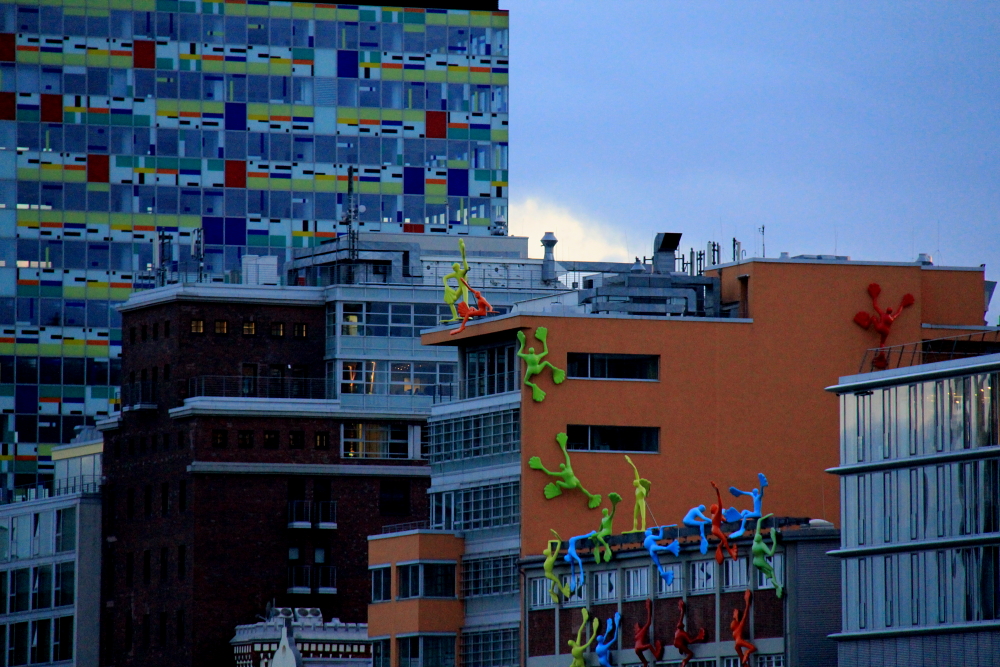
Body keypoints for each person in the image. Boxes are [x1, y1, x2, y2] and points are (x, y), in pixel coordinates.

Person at [528, 432, 602, 509]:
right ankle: (591, 496)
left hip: (570, 484)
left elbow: (549, 473)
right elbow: (567, 457)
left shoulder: (562, 473)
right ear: (564, 466)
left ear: (561, 468)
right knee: (582, 489)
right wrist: (563, 448)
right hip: (576, 480)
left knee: (557, 482)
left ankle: (558, 490)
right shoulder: (569, 468)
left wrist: (541, 466)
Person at [516, 327, 565, 402]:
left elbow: (518, 353)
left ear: (529, 351)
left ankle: (533, 386)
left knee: (525, 381)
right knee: (545, 362)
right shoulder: (537, 356)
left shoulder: (527, 356)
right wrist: (544, 341)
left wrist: (522, 344)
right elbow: (546, 352)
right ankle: (554, 369)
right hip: (537, 368)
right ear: (534, 351)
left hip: (530, 370)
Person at [723, 472, 768, 539]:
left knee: (746, 516)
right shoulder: (753, 496)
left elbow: (761, 493)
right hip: (754, 512)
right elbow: (744, 492)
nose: (754, 493)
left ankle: (742, 529)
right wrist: (737, 492)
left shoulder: (758, 497)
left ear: (757, 492)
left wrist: (762, 486)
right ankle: (738, 517)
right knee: (744, 511)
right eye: (753, 492)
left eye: (755, 492)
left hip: (757, 513)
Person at [751, 513, 783, 598]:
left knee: (764, 570)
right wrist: (774, 541)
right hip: (760, 561)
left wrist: (763, 518)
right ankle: (776, 585)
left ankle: (767, 574)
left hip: (755, 561)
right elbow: (771, 553)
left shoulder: (755, 543)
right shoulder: (762, 545)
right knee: (772, 570)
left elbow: (758, 523)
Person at [441, 239, 470, 323]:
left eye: (455, 267)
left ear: (457, 267)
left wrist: (463, 255)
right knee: (451, 301)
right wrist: (446, 286)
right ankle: (455, 316)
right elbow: (445, 277)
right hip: (460, 288)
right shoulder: (455, 273)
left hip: (464, 287)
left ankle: (467, 314)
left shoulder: (461, 272)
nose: (454, 269)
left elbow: (466, 268)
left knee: (465, 301)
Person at [710, 482, 738, 564]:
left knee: (724, 538)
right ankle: (731, 553)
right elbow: (720, 504)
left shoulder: (717, 516)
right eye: (717, 507)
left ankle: (721, 548)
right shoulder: (716, 515)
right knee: (725, 539)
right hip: (715, 529)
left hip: (715, 528)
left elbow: (724, 519)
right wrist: (717, 491)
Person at [673, 598, 705, 667]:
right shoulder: (682, 633)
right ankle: (684, 661)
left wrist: (682, 609)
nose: (683, 624)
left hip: (677, 644)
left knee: (682, 645)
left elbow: (681, 618)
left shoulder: (677, 631)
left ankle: (683, 655)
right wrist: (698, 637)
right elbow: (690, 641)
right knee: (690, 654)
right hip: (679, 644)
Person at [591, 492, 622, 563]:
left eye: (605, 511)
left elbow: (613, 512)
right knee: (593, 536)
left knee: (599, 536)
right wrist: (595, 534)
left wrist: (614, 505)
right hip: (603, 531)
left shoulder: (609, 518)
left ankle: (606, 546)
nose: (604, 512)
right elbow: (600, 528)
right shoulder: (603, 519)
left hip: (608, 530)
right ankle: (597, 546)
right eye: (603, 511)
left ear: (607, 512)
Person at [625, 455, 652, 532]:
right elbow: (635, 470)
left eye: (634, 482)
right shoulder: (637, 488)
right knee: (635, 515)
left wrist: (642, 487)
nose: (633, 483)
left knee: (643, 515)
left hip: (641, 501)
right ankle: (634, 528)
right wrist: (630, 463)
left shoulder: (641, 488)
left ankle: (643, 527)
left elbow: (644, 493)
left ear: (637, 483)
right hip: (637, 501)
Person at [633, 599, 664, 667]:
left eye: (636, 627)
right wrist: (648, 608)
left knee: (645, 663)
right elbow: (648, 621)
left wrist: (648, 608)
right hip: (639, 648)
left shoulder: (637, 635)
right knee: (649, 645)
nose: (636, 628)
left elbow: (648, 622)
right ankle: (656, 654)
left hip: (636, 649)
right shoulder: (641, 632)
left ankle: (645, 664)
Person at [542, 530, 570, 603]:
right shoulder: (551, 559)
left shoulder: (548, 558)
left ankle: (551, 589)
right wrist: (559, 543)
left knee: (555, 579)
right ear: (549, 553)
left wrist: (557, 539)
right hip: (548, 574)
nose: (549, 549)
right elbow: (557, 551)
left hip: (547, 573)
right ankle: (563, 590)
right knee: (557, 580)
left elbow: (549, 542)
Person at [731, 589, 756, 666]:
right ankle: (747, 653)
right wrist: (747, 603)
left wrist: (736, 616)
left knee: (742, 659)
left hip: (736, 645)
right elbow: (745, 616)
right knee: (753, 648)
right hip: (739, 641)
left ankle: (745, 663)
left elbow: (742, 617)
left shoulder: (734, 632)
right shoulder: (738, 628)